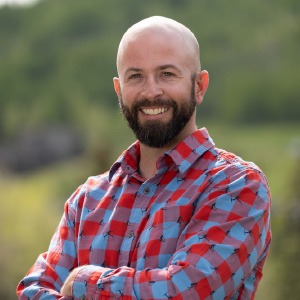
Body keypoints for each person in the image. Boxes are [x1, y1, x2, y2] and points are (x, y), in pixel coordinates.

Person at [17, 16, 271, 299]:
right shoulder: (87, 199)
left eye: (167, 74)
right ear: (119, 90)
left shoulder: (237, 186)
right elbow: (33, 291)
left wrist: (83, 282)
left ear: (199, 86)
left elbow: (183, 292)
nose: (151, 91)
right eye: (135, 76)